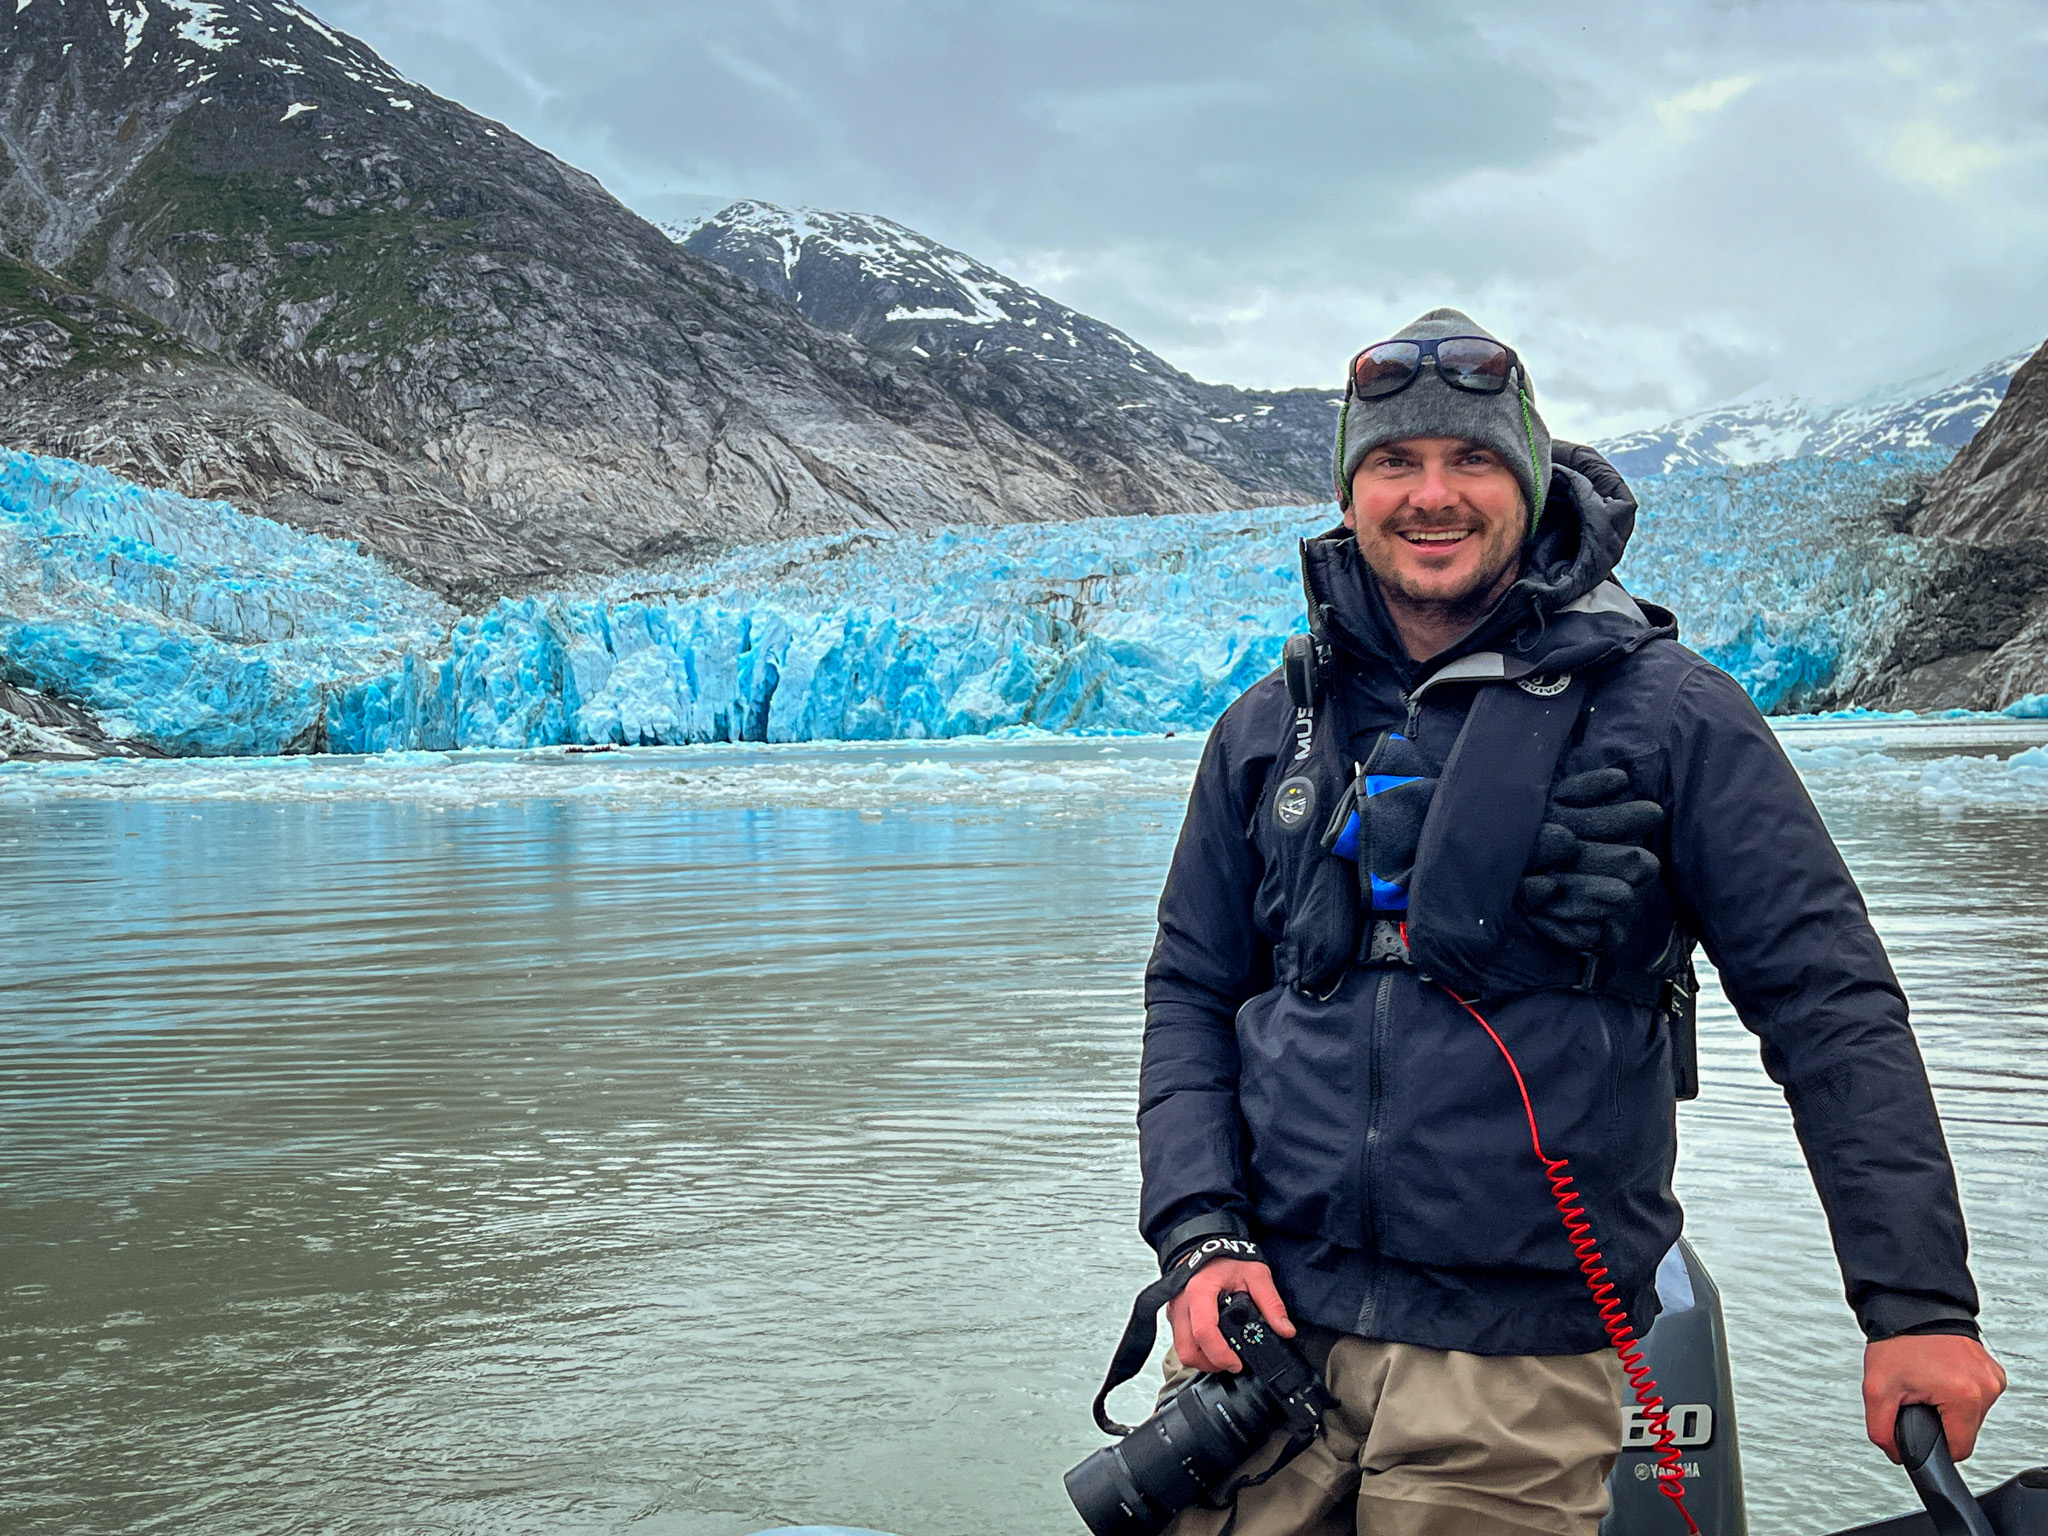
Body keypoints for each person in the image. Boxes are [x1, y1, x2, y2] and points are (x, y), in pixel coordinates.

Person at [1137, 308, 2006, 1536]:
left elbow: (1827, 1004)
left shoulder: (1671, 715)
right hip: (1262, 1339)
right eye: (1392, 461)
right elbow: (1187, 990)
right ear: (1349, 490)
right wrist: (1195, 1234)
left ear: (1529, 476)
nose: (1429, 494)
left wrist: (1914, 1305)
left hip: (1508, 1363)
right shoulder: (1265, 729)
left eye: (1469, 459)